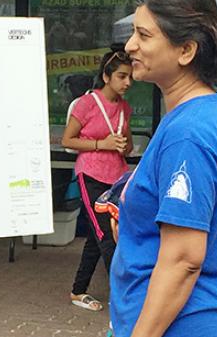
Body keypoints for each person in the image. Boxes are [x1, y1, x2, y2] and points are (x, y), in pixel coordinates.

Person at [109, 0, 217, 337]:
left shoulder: (189, 132)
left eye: (144, 36)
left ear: (186, 51)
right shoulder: (213, 115)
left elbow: (183, 259)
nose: (130, 46)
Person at [62, 51, 133, 311]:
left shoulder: (125, 107)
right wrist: (100, 144)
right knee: (107, 236)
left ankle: (78, 291)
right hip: (90, 175)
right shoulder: (87, 103)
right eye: (121, 76)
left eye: (130, 78)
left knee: (98, 236)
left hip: (116, 178)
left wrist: (123, 145)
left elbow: (128, 147)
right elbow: (67, 140)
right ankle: (125, 300)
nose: (127, 83)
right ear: (106, 76)